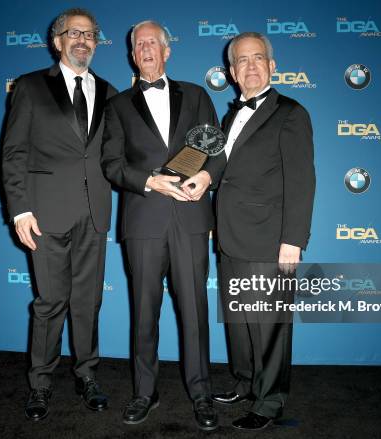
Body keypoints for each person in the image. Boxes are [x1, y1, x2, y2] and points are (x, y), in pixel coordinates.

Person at [101, 20, 226, 431]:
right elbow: (112, 164)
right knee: (144, 312)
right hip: (143, 219)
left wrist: (205, 177)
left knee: (195, 310)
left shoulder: (197, 94)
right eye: (139, 44)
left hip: (190, 217)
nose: (147, 49)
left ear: (167, 51)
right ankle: (144, 392)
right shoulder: (117, 106)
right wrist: (148, 181)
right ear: (132, 55)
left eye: (153, 42)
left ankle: (202, 392)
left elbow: (216, 151)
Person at [2, 8, 117, 421]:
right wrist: (20, 210)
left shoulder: (109, 90)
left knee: (88, 302)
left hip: (95, 213)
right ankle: (40, 383)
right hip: (45, 214)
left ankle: (87, 375)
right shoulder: (31, 87)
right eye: (74, 33)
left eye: (90, 34)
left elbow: (115, 153)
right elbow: (14, 152)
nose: (83, 40)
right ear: (57, 41)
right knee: (50, 303)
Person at [212, 32, 315, 431]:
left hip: (270, 239)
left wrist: (293, 240)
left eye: (258, 59)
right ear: (232, 72)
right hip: (229, 236)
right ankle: (246, 382)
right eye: (242, 60)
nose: (250, 66)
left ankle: (269, 402)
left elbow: (302, 182)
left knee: (269, 326)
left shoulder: (291, 113)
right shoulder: (229, 115)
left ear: (272, 66)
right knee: (239, 321)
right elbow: (222, 172)